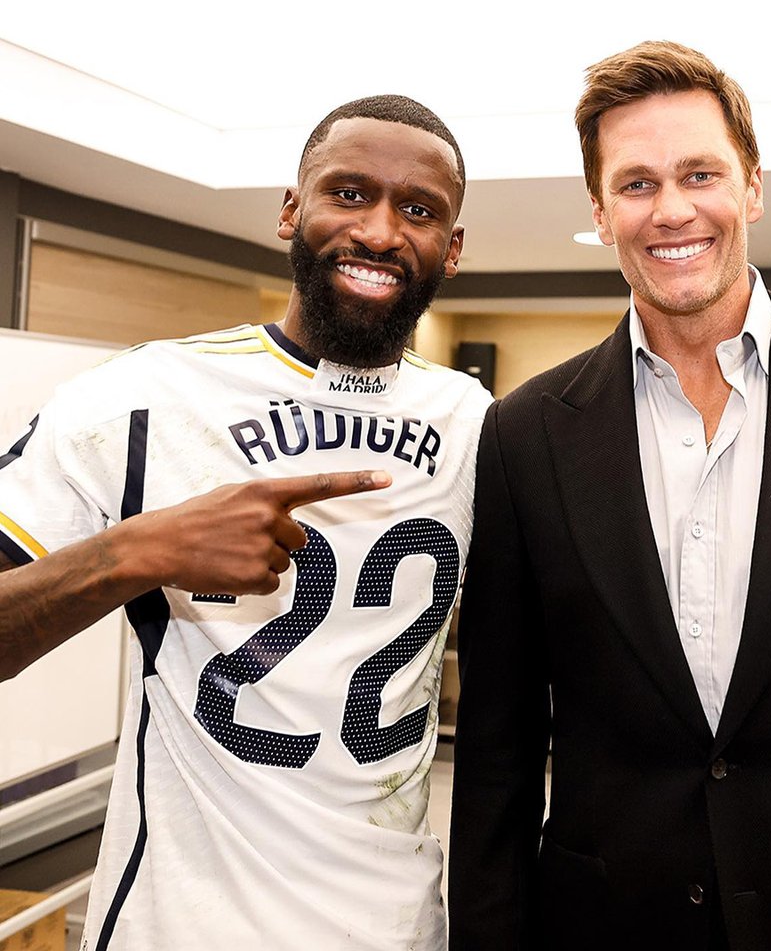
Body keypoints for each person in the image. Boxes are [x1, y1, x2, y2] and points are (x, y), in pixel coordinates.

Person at [448, 42, 771, 951]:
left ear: (752, 187)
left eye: (700, 173)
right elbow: (498, 751)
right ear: (601, 212)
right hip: (607, 927)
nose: (673, 210)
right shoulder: (525, 435)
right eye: (637, 184)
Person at [0, 95, 492, 951]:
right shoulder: (143, 395)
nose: (378, 232)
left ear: (451, 249)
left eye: (418, 211)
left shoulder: (477, 424)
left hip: (396, 927)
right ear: (291, 211)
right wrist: (137, 551)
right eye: (348, 193)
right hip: (181, 925)